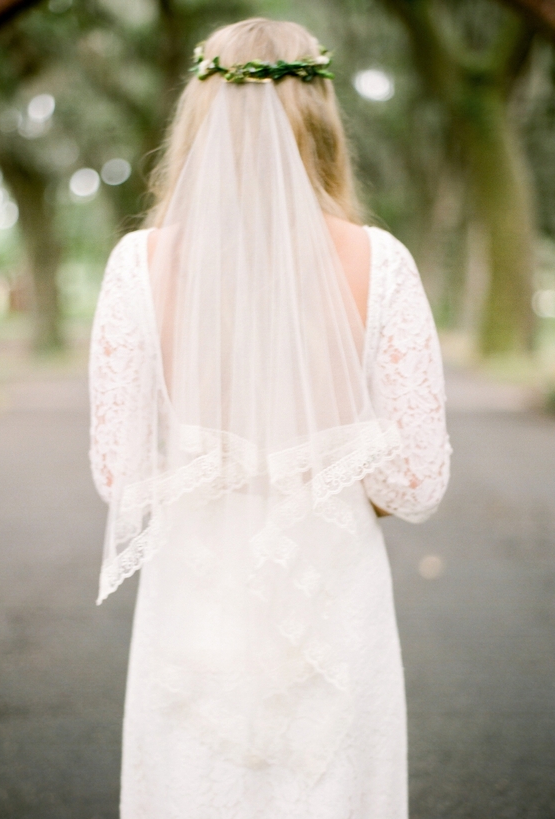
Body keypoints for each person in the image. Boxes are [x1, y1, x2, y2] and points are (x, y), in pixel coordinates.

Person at [89, 17, 450, 819]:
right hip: (332, 596)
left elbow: (118, 473)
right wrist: (324, 463)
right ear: (321, 121)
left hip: (197, 598)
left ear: (199, 118)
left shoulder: (135, 268)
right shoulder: (379, 262)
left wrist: (217, 462)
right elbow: (419, 480)